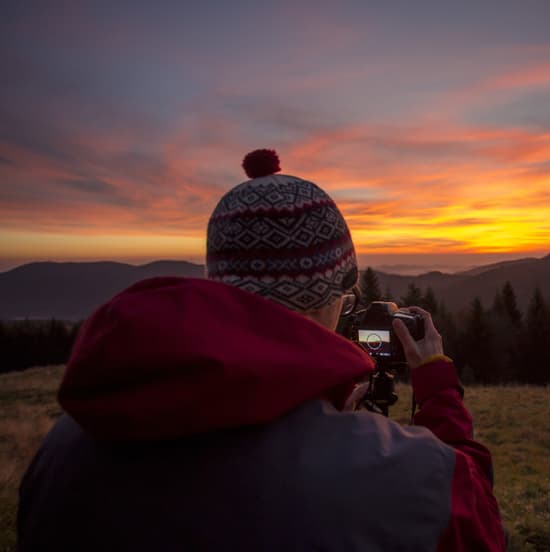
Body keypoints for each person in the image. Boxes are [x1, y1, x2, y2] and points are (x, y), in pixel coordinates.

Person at [17, 149, 506, 551]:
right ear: (334, 294)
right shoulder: (400, 474)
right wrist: (438, 390)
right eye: (347, 297)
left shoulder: (64, 447)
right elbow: (479, 523)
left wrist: (313, 414)